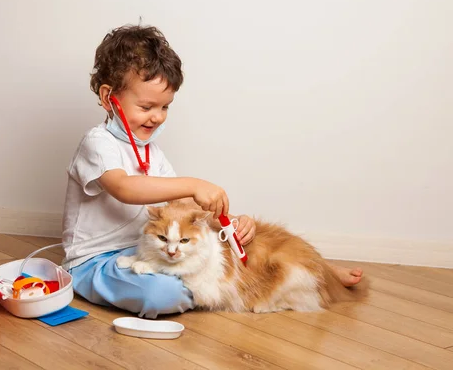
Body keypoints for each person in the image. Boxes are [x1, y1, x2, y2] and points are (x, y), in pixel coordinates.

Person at [61, 24, 363, 319]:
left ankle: (319, 269)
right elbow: (125, 188)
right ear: (107, 97)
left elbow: (182, 209)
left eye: (165, 107)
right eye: (146, 106)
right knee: (163, 295)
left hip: (149, 249)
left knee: (223, 249)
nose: (157, 117)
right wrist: (193, 184)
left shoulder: (152, 153)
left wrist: (230, 222)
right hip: (97, 262)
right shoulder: (98, 143)